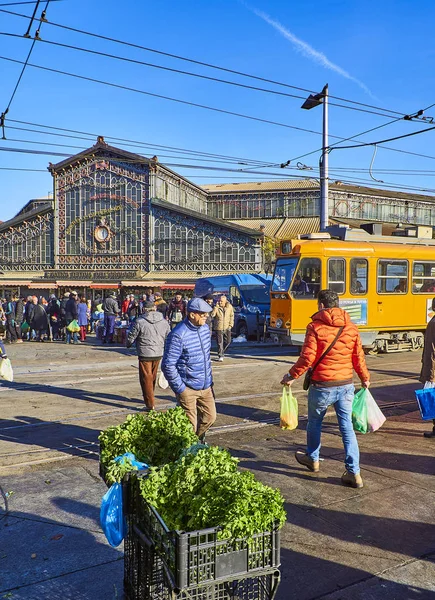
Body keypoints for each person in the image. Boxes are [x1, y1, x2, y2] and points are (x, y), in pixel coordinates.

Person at [281, 289, 370, 489]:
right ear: (337, 304)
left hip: (322, 386)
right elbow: (358, 357)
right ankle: (354, 472)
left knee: (314, 423)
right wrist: (365, 378)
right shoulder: (351, 327)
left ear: (321, 305)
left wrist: (291, 376)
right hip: (346, 385)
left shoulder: (315, 327)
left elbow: (307, 358)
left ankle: (313, 459)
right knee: (347, 428)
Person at [162, 297, 215, 441]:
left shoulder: (204, 329)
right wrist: (181, 389)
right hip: (188, 388)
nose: (206, 317)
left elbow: (205, 357)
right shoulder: (178, 334)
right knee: (189, 425)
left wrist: (209, 381)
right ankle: (189, 447)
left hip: (206, 386)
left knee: (210, 417)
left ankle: (196, 441)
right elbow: (168, 365)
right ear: (192, 315)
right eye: (203, 314)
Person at [127, 300, 170, 410]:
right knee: (152, 376)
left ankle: (150, 404)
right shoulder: (164, 322)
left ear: (144, 309)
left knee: (145, 378)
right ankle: (151, 396)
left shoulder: (140, 321)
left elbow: (132, 335)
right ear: (154, 308)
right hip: (158, 353)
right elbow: (169, 337)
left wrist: (128, 343)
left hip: (144, 353)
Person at [419, 297, 435, 439]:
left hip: (434, 370)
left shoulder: (433, 324)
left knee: (432, 400)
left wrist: (429, 374)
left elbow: (431, 351)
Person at [211, 295, 234, 361]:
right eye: (219, 301)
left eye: (222, 301)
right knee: (220, 342)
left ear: (225, 301)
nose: (220, 302)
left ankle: (221, 351)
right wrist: (216, 307)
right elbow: (212, 315)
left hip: (227, 327)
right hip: (219, 327)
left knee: (228, 341)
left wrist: (231, 325)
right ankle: (220, 355)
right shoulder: (216, 307)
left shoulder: (229, 307)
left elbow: (232, 316)